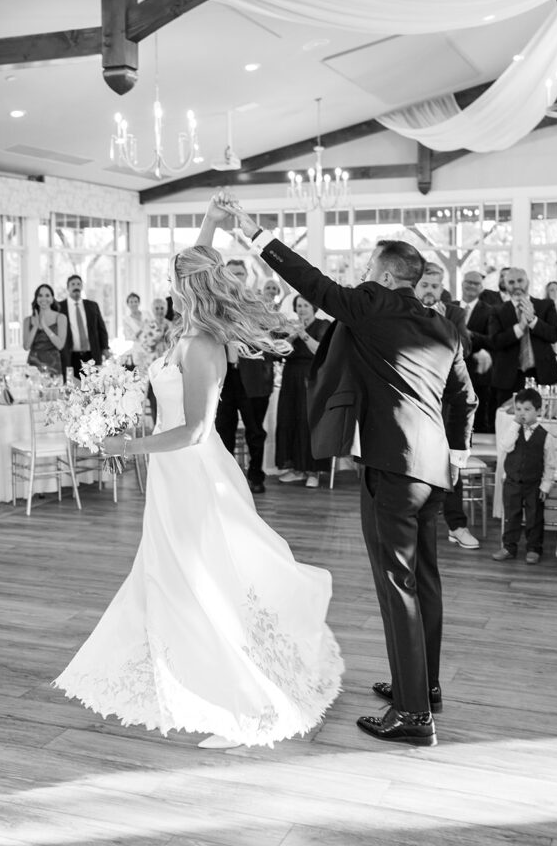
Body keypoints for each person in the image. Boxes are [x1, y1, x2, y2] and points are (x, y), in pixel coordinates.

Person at [54, 213, 343, 748]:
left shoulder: (204, 344)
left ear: (188, 287)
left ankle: (244, 701)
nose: (168, 283)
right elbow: (197, 258)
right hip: (169, 474)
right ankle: (181, 661)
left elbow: (192, 431)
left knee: (204, 576)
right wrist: (211, 219)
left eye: (174, 277)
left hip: (192, 472)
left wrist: (125, 445)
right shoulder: (185, 329)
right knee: (170, 569)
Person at [220, 193, 476, 747]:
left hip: (391, 467)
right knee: (424, 583)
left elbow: (314, 284)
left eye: (367, 269)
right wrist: (453, 455)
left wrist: (255, 234)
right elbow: (465, 399)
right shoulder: (445, 327)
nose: (360, 276)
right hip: (432, 472)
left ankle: (413, 718)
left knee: (397, 588)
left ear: (385, 275)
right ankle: (423, 687)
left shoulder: (371, 303)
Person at [415, 262, 479, 550]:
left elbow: (466, 349)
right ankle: (412, 525)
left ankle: (457, 526)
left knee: (451, 467)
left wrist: (445, 326)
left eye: (435, 286)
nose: (430, 291)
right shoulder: (405, 313)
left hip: (447, 407)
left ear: (442, 287)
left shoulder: (454, 313)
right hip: (414, 405)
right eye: (425, 285)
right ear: (416, 284)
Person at [215, 258, 274, 495]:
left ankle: (256, 476)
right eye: (231, 273)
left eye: (239, 273)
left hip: (254, 377)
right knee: (223, 430)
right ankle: (228, 478)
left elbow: (271, 334)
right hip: (224, 376)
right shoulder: (215, 304)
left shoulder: (257, 302)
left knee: (255, 431)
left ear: (246, 276)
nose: (235, 277)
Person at [492, 388, 556, 565]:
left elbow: (550, 464)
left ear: (538, 411)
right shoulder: (513, 430)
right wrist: (514, 424)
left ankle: (534, 548)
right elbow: (505, 446)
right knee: (511, 516)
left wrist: (545, 485)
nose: (522, 414)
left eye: (527, 410)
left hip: (534, 484)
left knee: (534, 517)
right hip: (512, 482)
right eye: (519, 409)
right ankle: (509, 547)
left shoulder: (546, 436)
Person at [276, 295, 331, 489]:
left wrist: (304, 334)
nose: (301, 309)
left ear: (313, 307)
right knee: (290, 419)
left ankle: (313, 471)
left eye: (305, 305)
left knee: (308, 421)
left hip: (311, 377)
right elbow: (279, 351)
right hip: (291, 377)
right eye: (298, 306)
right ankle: (297, 468)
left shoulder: (323, 325)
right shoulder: (291, 326)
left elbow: (321, 351)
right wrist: (291, 335)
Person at [489, 267, 557, 408]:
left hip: (543, 375)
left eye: (520, 281)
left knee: (544, 422)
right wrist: (520, 327)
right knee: (508, 423)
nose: (516, 286)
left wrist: (533, 320)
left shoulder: (545, 305)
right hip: (508, 377)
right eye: (511, 282)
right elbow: (495, 342)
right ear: (505, 285)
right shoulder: (497, 310)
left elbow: (554, 335)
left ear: (528, 282)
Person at [453, 271, 494, 433]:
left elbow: (491, 339)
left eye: (476, 283)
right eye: (468, 282)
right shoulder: (451, 306)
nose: (471, 286)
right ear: (462, 283)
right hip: (453, 367)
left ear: (481, 288)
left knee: (477, 413)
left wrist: (469, 334)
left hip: (477, 368)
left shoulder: (490, 311)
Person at [58, 275, 110, 380]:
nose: (76, 287)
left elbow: (101, 328)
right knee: (73, 388)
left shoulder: (92, 305)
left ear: (82, 287)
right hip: (70, 356)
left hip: (91, 355)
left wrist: (105, 348)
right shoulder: (59, 307)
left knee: (94, 388)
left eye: (78, 284)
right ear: (68, 288)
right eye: (73, 284)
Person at [23, 283, 67, 379]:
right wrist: (35, 327)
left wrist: (44, 326)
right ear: (36, 298)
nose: (44, 299)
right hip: (33, 367)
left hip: (54, 366)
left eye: (47, 295)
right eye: (40, 295)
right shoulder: (28, 320)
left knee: (53, 393)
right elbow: (26, 347)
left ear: (52, 299)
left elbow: (60, 345)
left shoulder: (61, 317)